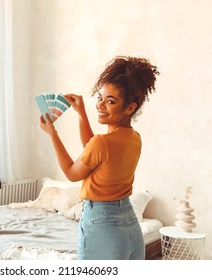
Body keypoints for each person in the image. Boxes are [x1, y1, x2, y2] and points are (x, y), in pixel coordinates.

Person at [39, 56, 159, 260]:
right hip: (129, 225)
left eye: (110, 101)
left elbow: (72, 173)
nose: (101, 105)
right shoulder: (133, 138)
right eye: (100, 98)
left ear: (130, 107)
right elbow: (93, 150)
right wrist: (81, 113)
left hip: (102, 224)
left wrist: (53, 133)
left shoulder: (103, 143)